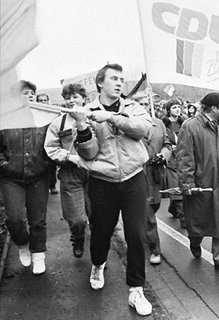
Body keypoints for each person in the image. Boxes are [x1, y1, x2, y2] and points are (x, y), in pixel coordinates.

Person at [66, 63, 152, 316]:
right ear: (100, 82)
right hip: (102, 181)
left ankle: (136, 290)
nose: (119, 83)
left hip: (134, 178)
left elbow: (143, 129)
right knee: (102, 231)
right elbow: (89, 152)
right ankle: (98, 264)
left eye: (122, 79)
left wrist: (112, 117)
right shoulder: (85, 110)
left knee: (136, 234)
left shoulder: (133, 107)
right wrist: (82, 126)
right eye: (114, 78)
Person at [176, 93, 219, 273]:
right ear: (214, 108)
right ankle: (195, 240)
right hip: (203, 184)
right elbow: (184, 157)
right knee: (199, 222)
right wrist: (187, 184)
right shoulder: (190, 127)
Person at [0, 80, 52, 275]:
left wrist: (46, 163)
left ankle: (39, 254)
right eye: (24, 93)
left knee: (38, 219)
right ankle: (22, 243)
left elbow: (53, 144)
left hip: (38, 176)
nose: (29, 96)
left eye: (31, 92)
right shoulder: (4, 120)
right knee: (15, 219)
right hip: (10, 177)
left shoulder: (43, 119)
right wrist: (4, 164)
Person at [44, 83, 91, 258]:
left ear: (84, 98)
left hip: (96, 173)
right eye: (68, 97)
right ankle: (78, 238)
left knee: (99, 217)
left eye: (75, 97)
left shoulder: (93, 117)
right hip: (71, 174)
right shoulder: (59, 122)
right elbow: (51, 147)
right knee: (77, 219)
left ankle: (98, 255)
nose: (71, 101)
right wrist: (69, 157)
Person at [136, 94, 172, 265]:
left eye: (145, 103)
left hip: (156, 174)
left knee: (154, 207)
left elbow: (167, 143)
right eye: (139, 104)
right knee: (147, 212)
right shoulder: (128, 126)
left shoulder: (158, 123)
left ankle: (142, 233)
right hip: (137, 174)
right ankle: (154, 248)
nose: (143, 106)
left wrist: (163, 155)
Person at [162, 99, 185, 228]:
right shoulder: (163, 124)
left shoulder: (185, 123)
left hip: (184, 158)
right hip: (171, 159)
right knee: (175, 185)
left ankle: (173, 208)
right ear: (169, 110)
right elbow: (162, 139)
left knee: (185, 185)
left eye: (178, 107)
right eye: (174, 107)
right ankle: (183, 217)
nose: (177, 109)